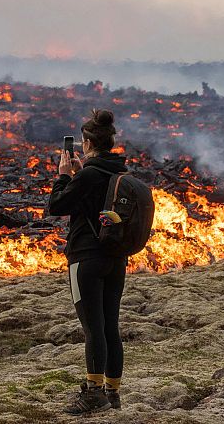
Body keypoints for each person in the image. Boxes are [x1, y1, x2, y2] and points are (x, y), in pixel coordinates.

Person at [48, 109, 128, 415]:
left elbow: (57, 205)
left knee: (93, 328)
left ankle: (94, 393)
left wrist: (63, 176)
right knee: (110, 327)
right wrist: (80, 173)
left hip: (86, 258)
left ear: (86, 142)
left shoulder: (88, 175)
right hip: (116, 258)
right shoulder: (118, 172)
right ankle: (113, 393)